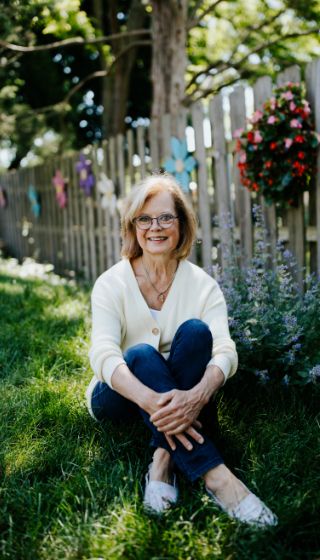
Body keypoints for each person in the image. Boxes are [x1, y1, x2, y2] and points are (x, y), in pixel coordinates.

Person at [86, 173, 277, 526]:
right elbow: (103, 355)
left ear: (181, 224)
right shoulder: (111, 283)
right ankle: (218, 477)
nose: (154, 227)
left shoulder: (203, 286)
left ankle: (162, 459)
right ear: (133, 226)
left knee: (196, 332)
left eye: (165, 217)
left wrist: (199, 395)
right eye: (144, 218)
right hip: (118, 396)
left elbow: (224, 351)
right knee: (141, 354)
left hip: (182, 395)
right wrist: (152, 400)